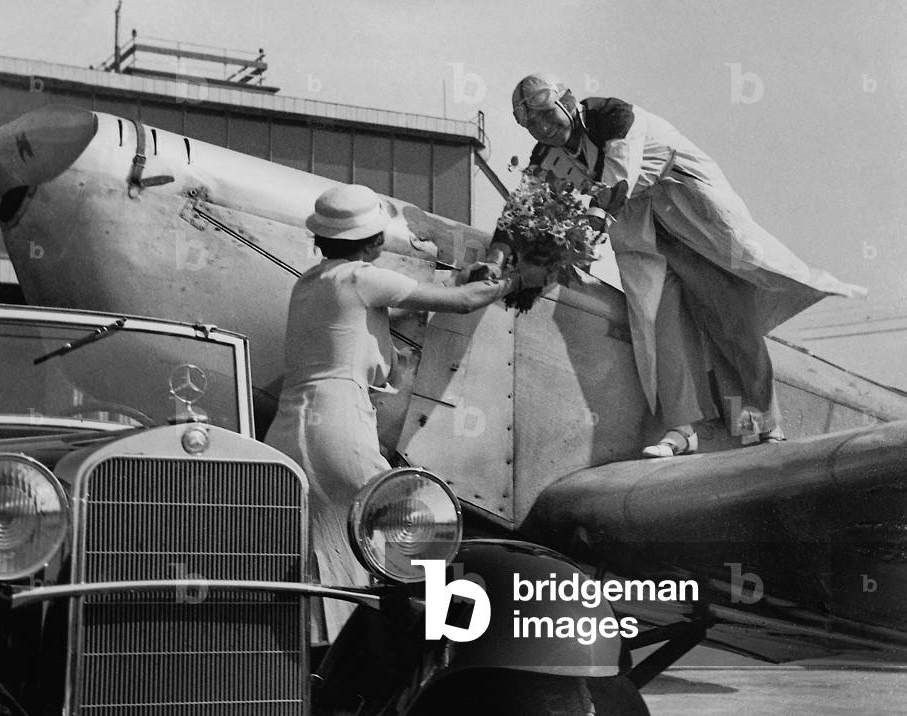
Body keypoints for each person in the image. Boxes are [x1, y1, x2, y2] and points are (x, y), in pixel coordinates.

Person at [500, 73, 865, 458]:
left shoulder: (611, 116)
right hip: (642, 233)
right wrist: (497, 256)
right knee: (658, 327)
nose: (542, 128)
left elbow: (618, 182)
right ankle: (682, 430)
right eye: (531, 124)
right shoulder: (547, 155)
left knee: (727, 318)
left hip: (689, 211)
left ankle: (759, 425)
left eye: (545, 116)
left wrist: (587, 228)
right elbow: (521, 212)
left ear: (566, 104)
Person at [265, 183, 536, 641]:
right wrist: (519, 280)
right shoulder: (361, 278)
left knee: (323, 555)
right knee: (408, 530)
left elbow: (390, 311)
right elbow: (465, 303)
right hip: (340, 424)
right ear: (372, 241)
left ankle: (321, 667)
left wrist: (460, 277)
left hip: (289, 432)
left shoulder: (309, 284)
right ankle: (437, 644)